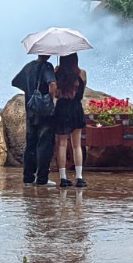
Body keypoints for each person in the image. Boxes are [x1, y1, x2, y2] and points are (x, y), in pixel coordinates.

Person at [12, 52, 56, 186]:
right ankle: (42, 179)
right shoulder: (47, 66)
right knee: (45, 145)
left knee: (30, 144)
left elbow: (15, 82)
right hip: (45, 113)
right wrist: (52, 100)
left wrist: (30, 90)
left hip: (31, 111)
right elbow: (52, 85)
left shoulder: (28, 66)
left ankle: (28, 178)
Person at [51, 51, 87, 188]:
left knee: (62, 144)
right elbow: (81, 93)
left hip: (61, 108)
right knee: (77, 145)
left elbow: (55, 93)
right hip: (76, 108)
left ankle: (63, 178)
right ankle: (79, 177)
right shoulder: (82, 73)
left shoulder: (57, 73)